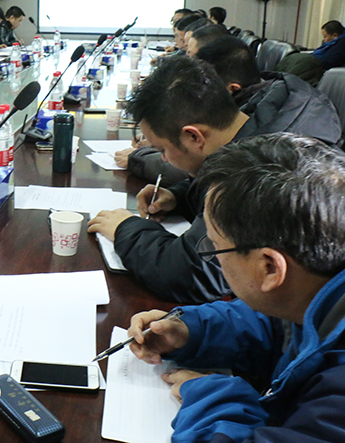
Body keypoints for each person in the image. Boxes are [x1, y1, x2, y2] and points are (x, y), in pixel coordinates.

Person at [127, 133, 345, 442]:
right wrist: (191, 330)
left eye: (214, 246)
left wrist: (215, 397)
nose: (213, 256)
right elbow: (276, 324)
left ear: (270, 268)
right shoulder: (314, 288)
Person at [86, 55, 338, 304]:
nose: (162, 159)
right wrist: (179, 196)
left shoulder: (260, 175)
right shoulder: (258, 116)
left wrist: (125, 229)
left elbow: (190, 275)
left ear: (193, 137)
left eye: (162, 149)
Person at [120, 37, 340, 186]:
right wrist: (179, 197)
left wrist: (124, 227)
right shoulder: (267, 102)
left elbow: (196, 245)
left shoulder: (261, 166)